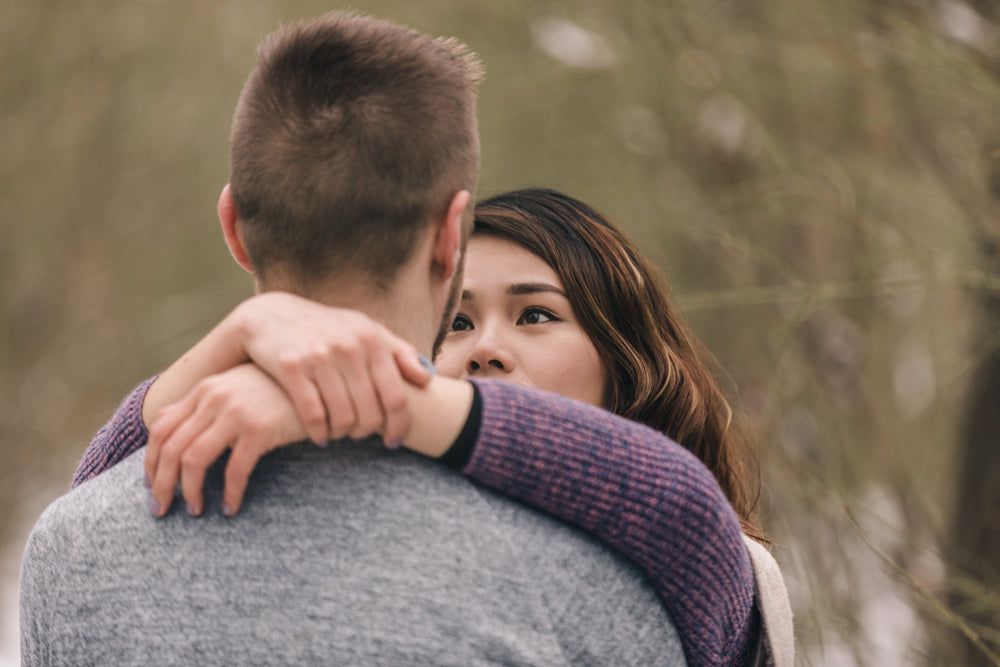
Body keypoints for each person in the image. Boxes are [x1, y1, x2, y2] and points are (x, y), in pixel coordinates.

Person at [18, 11, 750, 667]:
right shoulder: (598, 569)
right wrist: (400, 403)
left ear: (234, 227)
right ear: (449, 235)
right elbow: (695, 527)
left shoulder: (69, 551)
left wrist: (208, 372)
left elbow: (91, 498)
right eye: (466, 319)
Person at [72, 189, 787, 664]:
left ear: (625, 356)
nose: (485, 346)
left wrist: (376, 397)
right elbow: (89, 514)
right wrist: (240, 338)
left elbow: (677, 503)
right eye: (457, 322)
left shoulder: (712, 551)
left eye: (536, 314)